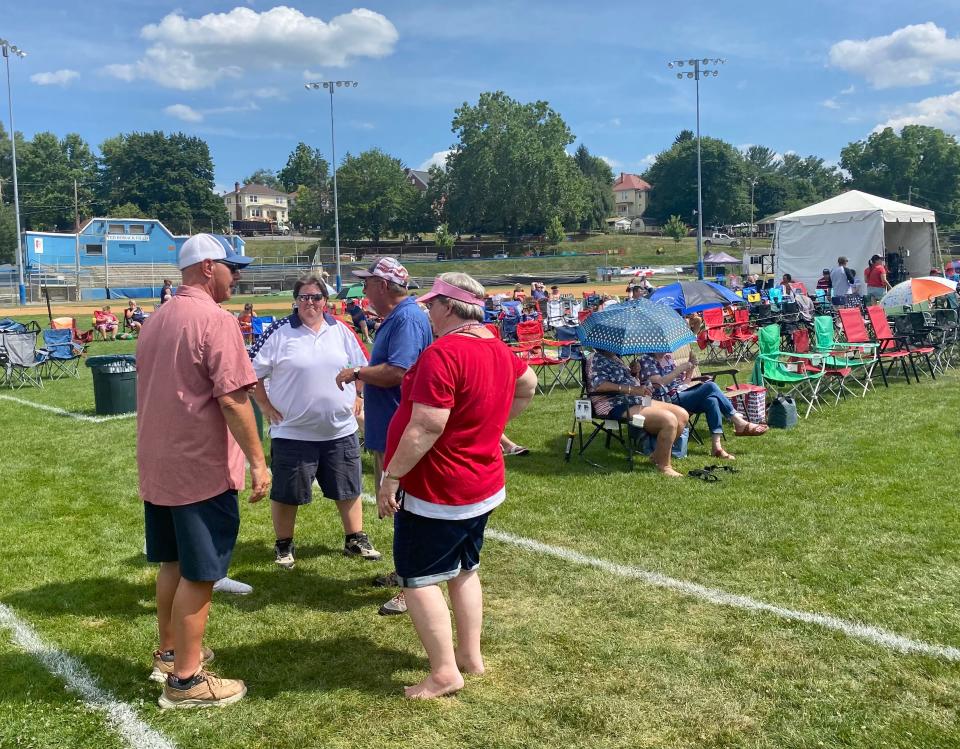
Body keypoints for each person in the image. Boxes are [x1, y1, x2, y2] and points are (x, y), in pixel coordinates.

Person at [377, 272, 538, 699]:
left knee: (417, 577)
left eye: (431, 305)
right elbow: (528, 385)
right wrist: (492, 424)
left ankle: (445, 672)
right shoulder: (498, 348)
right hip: (480, 482)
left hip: (439, 487)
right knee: (466, 569)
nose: (427, 312)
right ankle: (470, 656)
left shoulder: (444, 352)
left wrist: (390, 476)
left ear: (448, 307)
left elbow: (427, 424)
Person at [137, 233, 270, 709]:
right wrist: (258, 461)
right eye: (233, 268)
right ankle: (187, 681)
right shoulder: (215, 320)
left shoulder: (156, 319)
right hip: (199, 468)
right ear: (208, 267)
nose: (238, 276)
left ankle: (170, 654)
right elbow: (234, 399)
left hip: (160, 466)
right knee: (201, 571)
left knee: (172, 563)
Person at [250, 276, 377, 570]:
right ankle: (284, 545)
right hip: (293, 432)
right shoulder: (279, 332)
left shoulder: (341, 329)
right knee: (287, 493)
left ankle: (355, 538)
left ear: (325, 301)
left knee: (348, 487)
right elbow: (251, 371)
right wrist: (265, 405)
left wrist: (358, 392)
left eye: (316, 297)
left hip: (339, 429)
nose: (311, 303)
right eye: (304, 298)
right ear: (296, 301)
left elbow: (360, 365)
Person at [334, 257, 432, 616]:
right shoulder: (403, 316)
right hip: (391, 426)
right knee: (400, 506)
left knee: (405, 507)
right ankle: (407, 573)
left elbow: (397, 372)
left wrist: (356, 371)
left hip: (399, 428)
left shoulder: (406, 318)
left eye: (369, 283)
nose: (364, 290)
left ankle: (413, 585)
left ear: (386, 287)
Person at [635, 352, 767, 460]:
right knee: (711, 386)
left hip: (681, 393)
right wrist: (679, 369)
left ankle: (717, 447)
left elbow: (684, 382)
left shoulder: (668, 358)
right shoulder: (646, 360)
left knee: (712, 401)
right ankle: (738, 422)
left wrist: (691, 368)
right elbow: (660, 383)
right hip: (665, 401)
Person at [587, 350, 689, 477]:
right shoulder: (596, 359)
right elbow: (600, 385)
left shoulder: (615, 358)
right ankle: (664, 466)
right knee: (669, 420)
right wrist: (632, 389)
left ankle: (656, 455)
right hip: (615, 403)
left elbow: (627, 380)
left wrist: (634, 373)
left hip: (634, 399)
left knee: (682, 415)